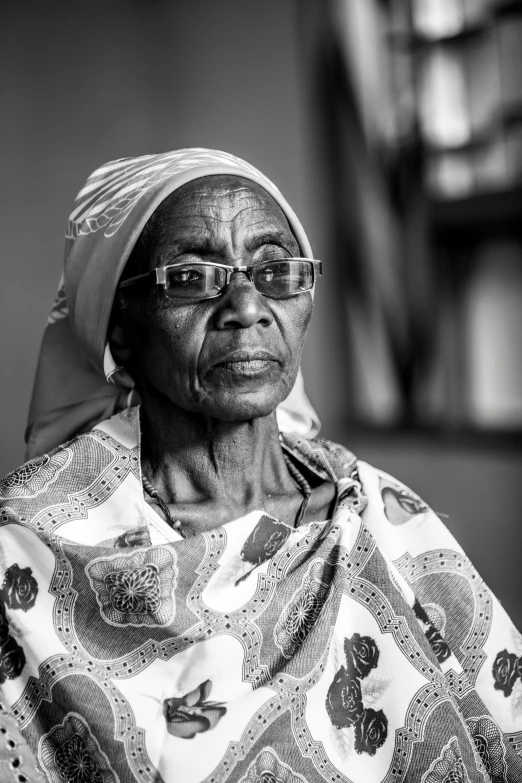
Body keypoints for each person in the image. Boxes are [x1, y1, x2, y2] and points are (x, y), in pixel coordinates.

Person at [1, 149, 521, 783]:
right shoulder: (25, 546)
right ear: (122, 334)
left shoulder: (373, 513)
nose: (246, 306)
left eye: (277, 270)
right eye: (192, 277)